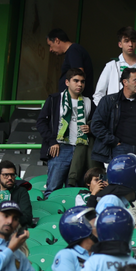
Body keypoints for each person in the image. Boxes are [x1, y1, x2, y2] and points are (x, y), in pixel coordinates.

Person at [37, 68, 96, 196]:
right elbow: (41, 122)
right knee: (53, 188)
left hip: (81, 149)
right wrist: (52, 141)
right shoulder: (55, 99)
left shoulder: (89, 102)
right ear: (67, 82)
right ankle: (51, 215)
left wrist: (91, 129)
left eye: (82, 81)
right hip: (60, 148)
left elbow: (98, 125)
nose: (80, 84)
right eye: (76, 81)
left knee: (76, 190)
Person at [90, 68, 136, 162]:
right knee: (120, 177)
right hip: (119, 149)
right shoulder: (109, 101)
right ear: (125, 82)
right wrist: (114, 142)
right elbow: (96, 125)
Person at [93, 26, 136, 116]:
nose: (130, 44)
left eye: (133, 41)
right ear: (120, 44)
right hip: (116, 116)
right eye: (126, 41)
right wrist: (106, 114)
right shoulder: (111, 66)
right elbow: (98, 94)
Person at [48, 28, 94, 94]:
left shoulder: (73, 50)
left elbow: (79, 73)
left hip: (76, 101)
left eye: (50, 45)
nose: (50, 49)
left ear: (57, 40)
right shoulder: (73, 51)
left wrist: (72, 98)